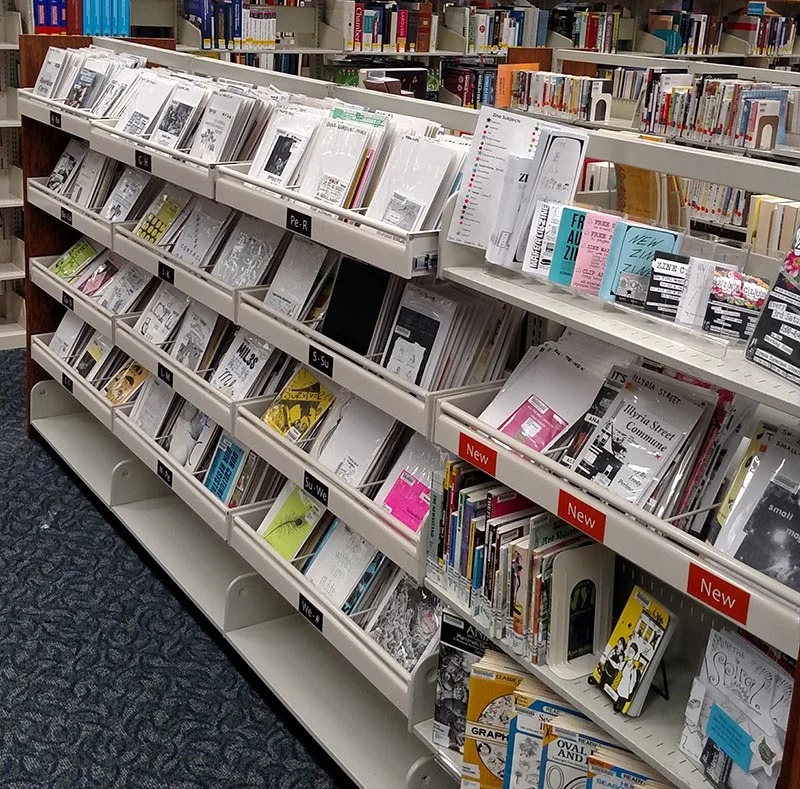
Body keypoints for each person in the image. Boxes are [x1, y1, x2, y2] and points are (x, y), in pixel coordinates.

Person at [614, 642, 642, 713]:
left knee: (620, 706)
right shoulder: (624, 663)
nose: (629, 654)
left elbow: (633, 683)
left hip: (625, 693)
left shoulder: (634, 670)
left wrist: (629, 693)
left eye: (632, 652)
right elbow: (617, 666)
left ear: (635, 654)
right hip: (619, 689)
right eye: (629, 651)